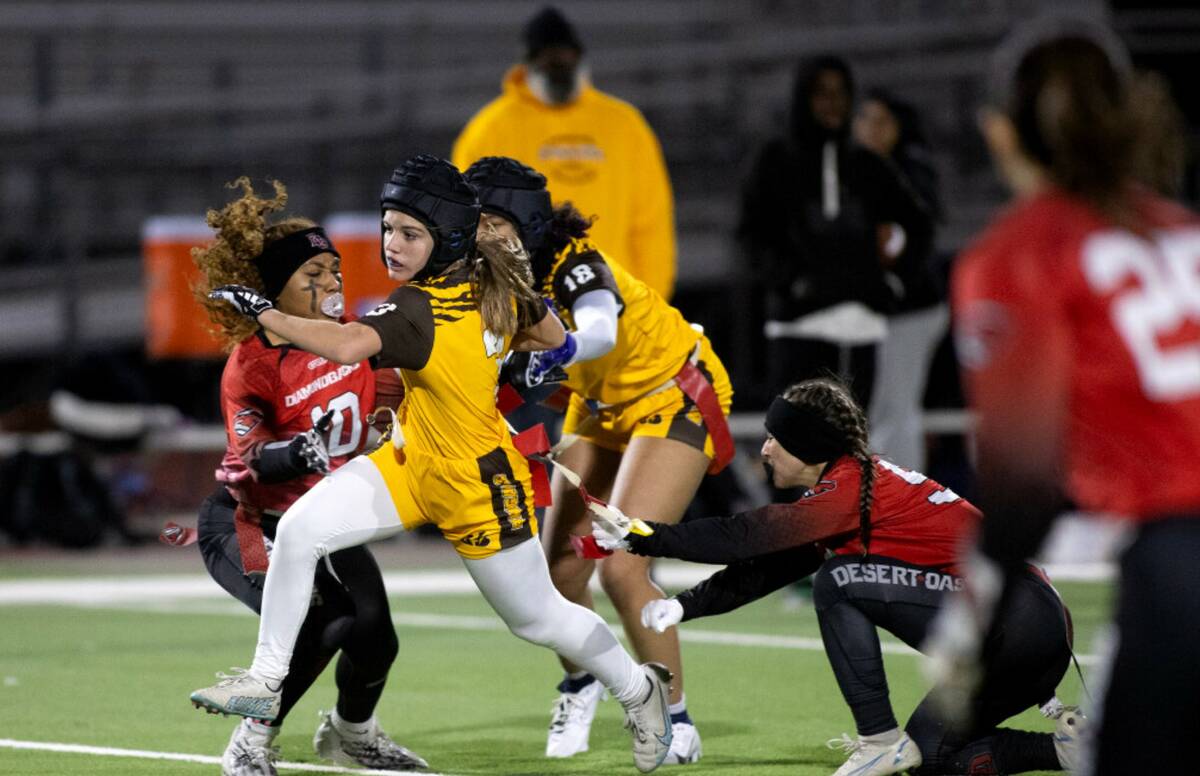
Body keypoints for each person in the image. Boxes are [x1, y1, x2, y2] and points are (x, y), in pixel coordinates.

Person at [189, 155, 675, 774]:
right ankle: (264, 681)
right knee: (303, 532)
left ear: (445, 236)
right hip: (410, 461)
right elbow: (554, 336)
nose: (391, 243)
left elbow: (342, 345)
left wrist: (262, 311)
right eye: (388, 226)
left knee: (538, 618)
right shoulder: (495, 282)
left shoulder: (418, 308)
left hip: (475, 483)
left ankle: (640, 690)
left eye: (408, 232)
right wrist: (507, 352)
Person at [921, 17, 1200, 776]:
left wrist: (968, 617)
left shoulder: (1018, 255)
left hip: (1181, 556)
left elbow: (1022, 486)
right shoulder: (1182, 228)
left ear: (1001, 133)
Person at [590, 378, 1082, 776]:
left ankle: (877, 738)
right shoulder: (848, 493)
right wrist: (685, 605)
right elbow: (765, 568)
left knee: (840, 581)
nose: (764, 449)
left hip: (1020, 625)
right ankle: (1066, 750)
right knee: (935, 759)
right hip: (1022, 639)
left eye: (774, 438)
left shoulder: (845, 492)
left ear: (806, 446)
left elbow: (745, 535)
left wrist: (643, 536)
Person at [464, 156, 733, 765]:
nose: (474, 234)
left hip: (673, 391)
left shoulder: (573, 261)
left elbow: (600, 330)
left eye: (486, 221)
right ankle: (581, 682)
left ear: (521, 222)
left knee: (622, 567)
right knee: (556, 568)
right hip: (601, 402)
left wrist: (554, 353)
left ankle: (674, 716)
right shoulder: (488, 277)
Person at [189, 178, 421, 776]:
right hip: (250, 522)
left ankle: (351, 735)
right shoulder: (252, 364)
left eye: (333, 268)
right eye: (311, 273)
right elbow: (250, 458)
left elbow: (400, 399)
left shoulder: (354, 338)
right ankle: (248, 741)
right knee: (326, 620)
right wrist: (301, 452)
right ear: (274, 292)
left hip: (322, 517)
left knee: (376, 637)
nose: (330, 282)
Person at [737, 55, 933, 411]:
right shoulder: (774, 160)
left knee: (850, 449)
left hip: (860, 331)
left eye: (841, 94)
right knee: (795, 447)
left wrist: (892, 283)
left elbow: (918, 224)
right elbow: (750, 235)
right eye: (821, 93)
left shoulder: (866, 165)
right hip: (797, 328)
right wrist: (790, 280)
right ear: (803, 98)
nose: (833, 104)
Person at [451, 5, 676, 300]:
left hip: (617, 297)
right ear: (529, 63)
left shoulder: (624, 126)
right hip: (531, 305)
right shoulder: (490, 131)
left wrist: (652, 296)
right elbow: (469, 224)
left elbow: (651, 221)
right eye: (548, 58)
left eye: (565, 56)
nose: (558, 65)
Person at [853, 89, 948, 471]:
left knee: (896, 411)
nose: (870, 130)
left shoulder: (908, 171)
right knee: (879, 410)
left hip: (909, 311)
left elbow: (898, 241)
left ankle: (905, 503)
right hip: (881, 311)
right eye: (864, 120)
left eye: (881, 121)